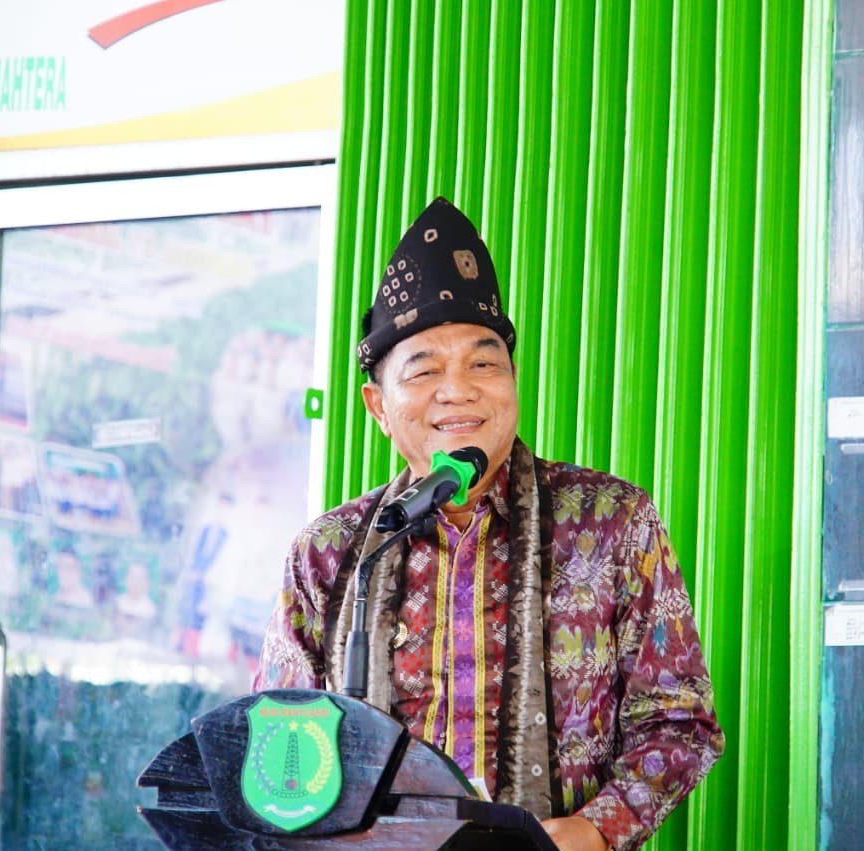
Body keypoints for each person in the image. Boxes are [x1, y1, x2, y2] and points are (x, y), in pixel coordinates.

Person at [255, 198, 722, 851]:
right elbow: (280, 746)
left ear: (512, 380)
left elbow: (679, 720)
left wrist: (594, 829)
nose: (459, 389)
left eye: (484, 363)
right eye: (424, 370)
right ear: (379, 406)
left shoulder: (612, 520)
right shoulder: (330, 554)